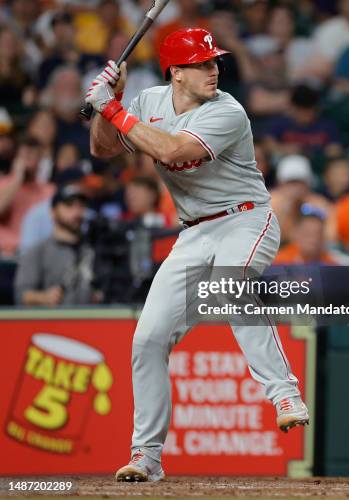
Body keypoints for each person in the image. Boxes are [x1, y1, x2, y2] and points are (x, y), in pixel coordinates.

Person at [86, 27, 309, 482]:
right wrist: (105, 105)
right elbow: (102, 148)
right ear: (176, 73)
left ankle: (284, 394)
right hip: (194, 232)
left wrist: (111, 108)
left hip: (245, 217)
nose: (214, 70)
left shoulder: (227, 110)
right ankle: (146, 458)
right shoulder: (149, 102)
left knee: (230, 287)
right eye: (202, 63)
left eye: (214, 61)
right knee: (148, 339)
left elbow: (172, 151)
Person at [14, 184, 96, 306]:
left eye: (81, 206)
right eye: (69, 205)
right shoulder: (38, 251)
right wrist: (43, 298)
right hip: (54, 321)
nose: (76, 212)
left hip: (95, 321)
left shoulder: (93, 248)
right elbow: (21, 295)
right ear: (53, 212)